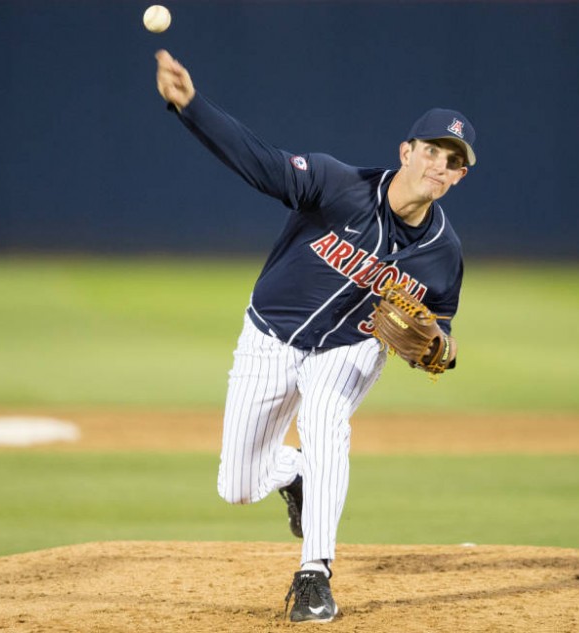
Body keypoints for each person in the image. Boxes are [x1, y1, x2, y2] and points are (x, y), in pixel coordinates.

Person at [154, 49, 476, 623]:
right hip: (267, 338)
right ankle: (296, 472)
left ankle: (313, 574)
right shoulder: (336, 184)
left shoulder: (443, 254)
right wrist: (192, 107)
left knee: (326, 418)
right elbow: (259, 163)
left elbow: (440, 328)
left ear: (458, 177)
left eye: (451, 161)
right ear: (407, 152)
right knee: (237, 484)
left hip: (348, 350)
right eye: (431, 150)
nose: (438, 165)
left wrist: (440, 351)